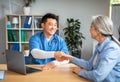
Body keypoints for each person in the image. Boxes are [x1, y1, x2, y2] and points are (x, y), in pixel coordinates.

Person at [56, 15, 120, 82]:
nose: (89, 29)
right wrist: (69, 57)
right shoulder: (100, 45)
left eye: (91, 27)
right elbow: (89, 65)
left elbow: (98, 76)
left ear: (98, 30)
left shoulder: (112, 49)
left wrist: (80, 72)